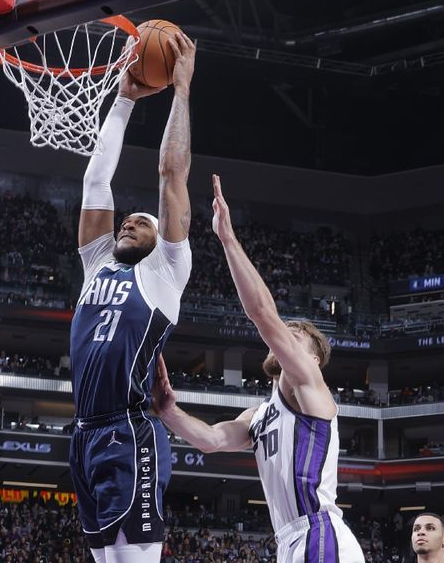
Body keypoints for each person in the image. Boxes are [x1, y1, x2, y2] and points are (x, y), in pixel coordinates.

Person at [152, 175, 364, 562]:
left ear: (313, 359)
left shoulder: (309, 386)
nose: (285, 335)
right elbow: (211, 440)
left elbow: (263, 314)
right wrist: (168, 411)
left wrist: (227, 239)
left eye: (295, 334)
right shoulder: (260, 416)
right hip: (290, 540)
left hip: (319, 531)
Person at [68, 31, 196, 563]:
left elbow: (171, 173)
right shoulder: (96, 262)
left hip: (128, 429)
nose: (127, 222)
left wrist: (181, 90)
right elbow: (97, 182)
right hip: (84, 433)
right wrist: (122, 100)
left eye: (139, 221)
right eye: (126, 220)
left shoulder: (167, 270)